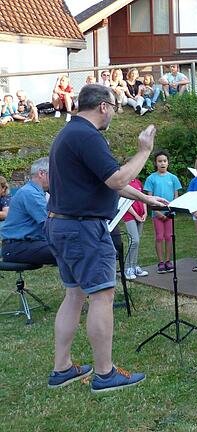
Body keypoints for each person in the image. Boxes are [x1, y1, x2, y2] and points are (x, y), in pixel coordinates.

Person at [46, 83, 165, 391]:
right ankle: (104, 373)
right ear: (102, 106)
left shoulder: (68, 134)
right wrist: (144, 151)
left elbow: (106, 182)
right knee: (102, 295)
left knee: (74, 294)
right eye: (113, 106)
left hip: (63, 225)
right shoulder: (87, 136)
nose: (114, 111)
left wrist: (146, 199)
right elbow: (117, 177)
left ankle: (62, 368)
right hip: (84, 229)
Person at [1, 158, 56, 265]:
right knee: (71, 250)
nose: (57, 177)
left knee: (71, 247)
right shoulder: (30, 193)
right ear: (42, 173)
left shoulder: (35, 192)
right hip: (17, 248)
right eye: (54, 173)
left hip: (22, 245)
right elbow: (51, 223)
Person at [143, 150, 181, 274]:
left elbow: (176, 197)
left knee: (169, 237)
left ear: (168, 163)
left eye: (164, 161)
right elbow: (150, 198)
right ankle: (160, 262)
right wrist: (158, 213)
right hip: (157, 213)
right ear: (156, 163)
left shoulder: (173, 178)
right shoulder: (151, 178)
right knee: (159, 237)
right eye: (160, 161)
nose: (162, 163)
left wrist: (169, 212)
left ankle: (168, 261)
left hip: (170, 214)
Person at [121, 173, 148, 280]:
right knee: (134, 240)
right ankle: (128, 268)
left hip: (141, 215)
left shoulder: (137, 182)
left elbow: (143, 198)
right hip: (130, 215)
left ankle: (135, 265)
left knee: (137, 241)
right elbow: (124, 201)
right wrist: (136, 215)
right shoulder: (124, 183)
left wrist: (145, 212)